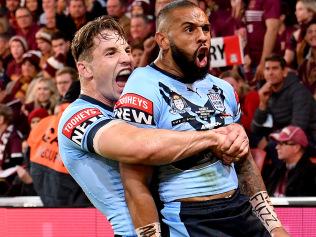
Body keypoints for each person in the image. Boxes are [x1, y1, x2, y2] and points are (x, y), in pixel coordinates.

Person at [57, 16, 251, 236]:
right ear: (84, 69)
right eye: (111, 53)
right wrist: (214, 137)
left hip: (183, 226)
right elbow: (138, 146)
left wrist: (231, 130)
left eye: (127, 50)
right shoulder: (77, 116)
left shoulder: (140, 104)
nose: (126, 59)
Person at [115, 1, 288, 236]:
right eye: (190, 29)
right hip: (190, 217)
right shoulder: (142, 86)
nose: (202, 37)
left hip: (240, 210)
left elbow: (244, 163)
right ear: (163, 40)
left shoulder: (222, 88)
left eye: (205, 28)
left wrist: (273, 225)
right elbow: (134, 179)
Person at [251, 54, 316, 158]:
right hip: (285, 135)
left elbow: (298, 127)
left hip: (309, 138)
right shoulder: (268, 91)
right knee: (252, 138)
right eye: (267, 69)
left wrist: (270, 138)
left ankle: (283, 173)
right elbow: (255, 129)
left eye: (275, 68)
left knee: (273, 146)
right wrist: (262, 103)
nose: (271, 73)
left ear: (284, 72)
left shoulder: (299, 92)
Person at [264, 125, 316, 197]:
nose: (276, 147)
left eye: (281, 143)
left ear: (296, 147)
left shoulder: (311, 174)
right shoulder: (278, 170)